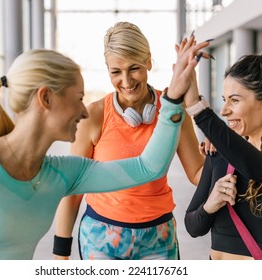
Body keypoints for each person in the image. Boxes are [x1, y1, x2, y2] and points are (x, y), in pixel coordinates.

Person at [0, 46, 208, 260]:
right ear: (46, 98)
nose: (84, 111)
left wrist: (172, 101)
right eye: (79, 98)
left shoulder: (63, 173)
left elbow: (148, 168)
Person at [54, 22, 206, 260]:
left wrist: (231, 163)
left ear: (148, 61)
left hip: (158, 237)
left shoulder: (172, 111)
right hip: (101, 237)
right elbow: (73, 189)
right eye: (116, 72)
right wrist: (60, 254)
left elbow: (197, 171)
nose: (126, 80)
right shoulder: (94, 116)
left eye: (133, 68)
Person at [171, 39, 262, 259]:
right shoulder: (220, 154)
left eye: (234, 100)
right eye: (224, 100)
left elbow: (257, 165)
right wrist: (210, 205)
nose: (224, 110)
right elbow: (193, 227)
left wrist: (197, 107)